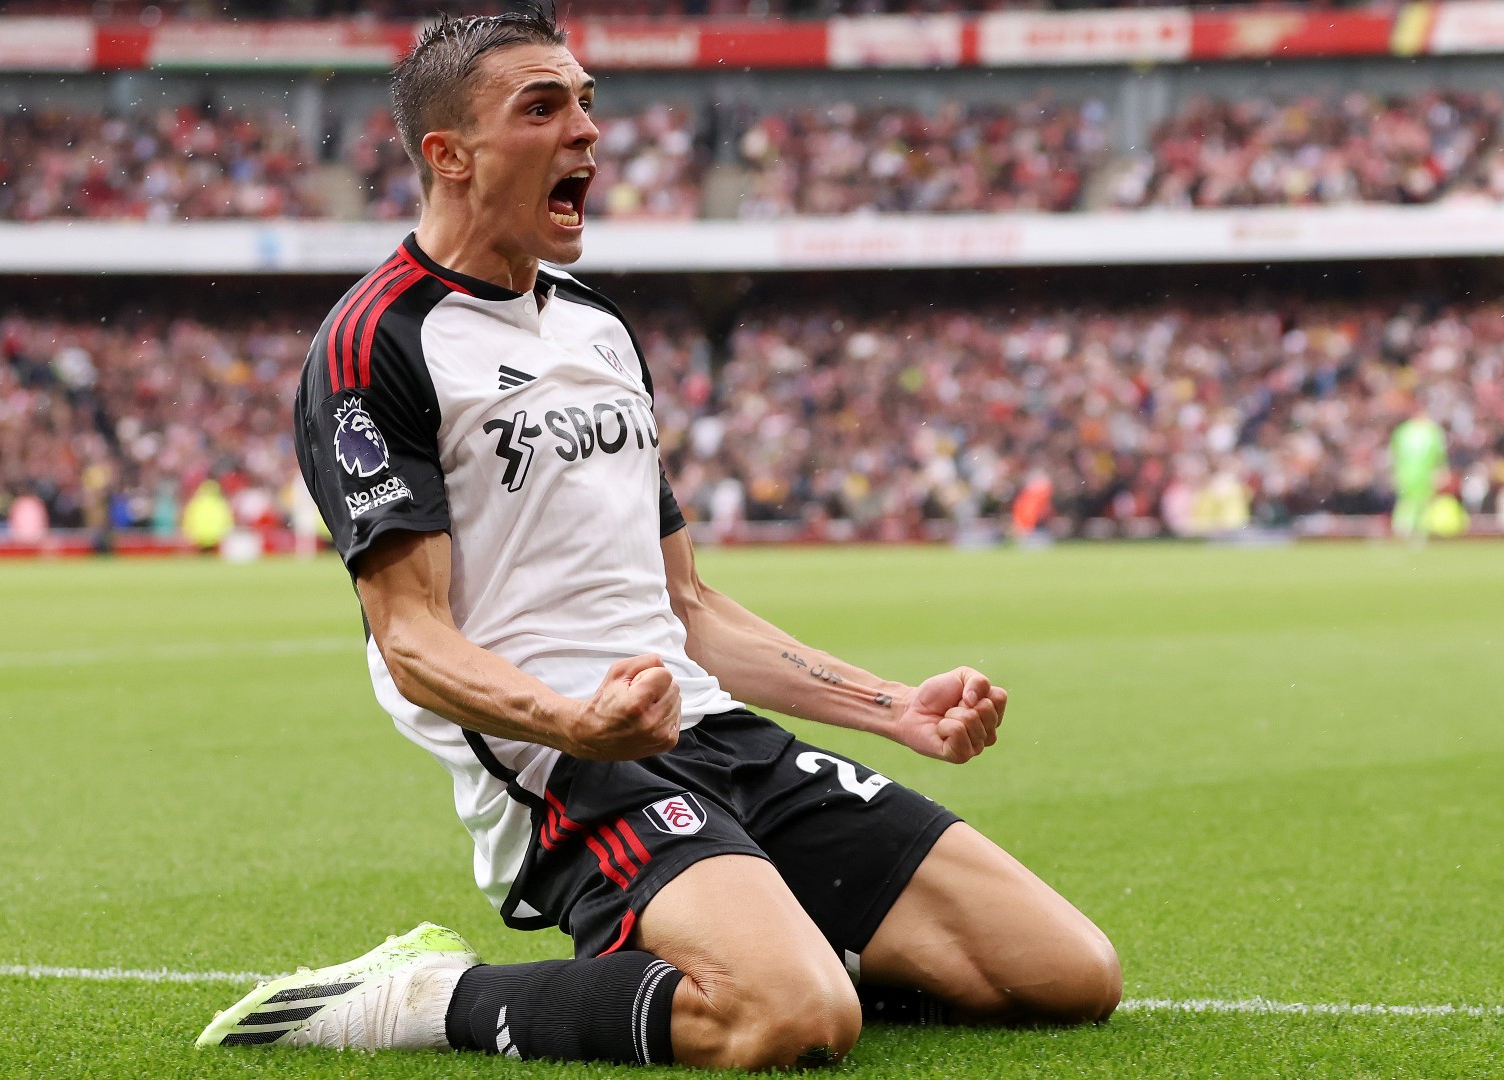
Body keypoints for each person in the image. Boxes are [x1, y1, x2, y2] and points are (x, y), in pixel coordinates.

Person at [197, 9, 1119, 1069]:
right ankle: (432, 998)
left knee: (1066, 976)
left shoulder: (597, 326)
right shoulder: (376, 343)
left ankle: (759, 935)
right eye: (543, 107)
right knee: (792, 1020)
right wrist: (576, 723)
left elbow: (689, 607)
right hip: (568, 768)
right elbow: (411, 639)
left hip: (713, 731)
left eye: (587, 102)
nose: (587, 129)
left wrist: (891, 707)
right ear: (448, 155)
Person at [1389, 406, 1448, 540]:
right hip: (1409, 473)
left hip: (1421, 474)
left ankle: (1417, 531)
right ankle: (1404, 530)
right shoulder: (1405, 431)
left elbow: (1439, 454)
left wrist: (1441, 470)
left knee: (1421, 502)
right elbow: (1394, 454)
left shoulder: (1431, 431)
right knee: (1409, 502)